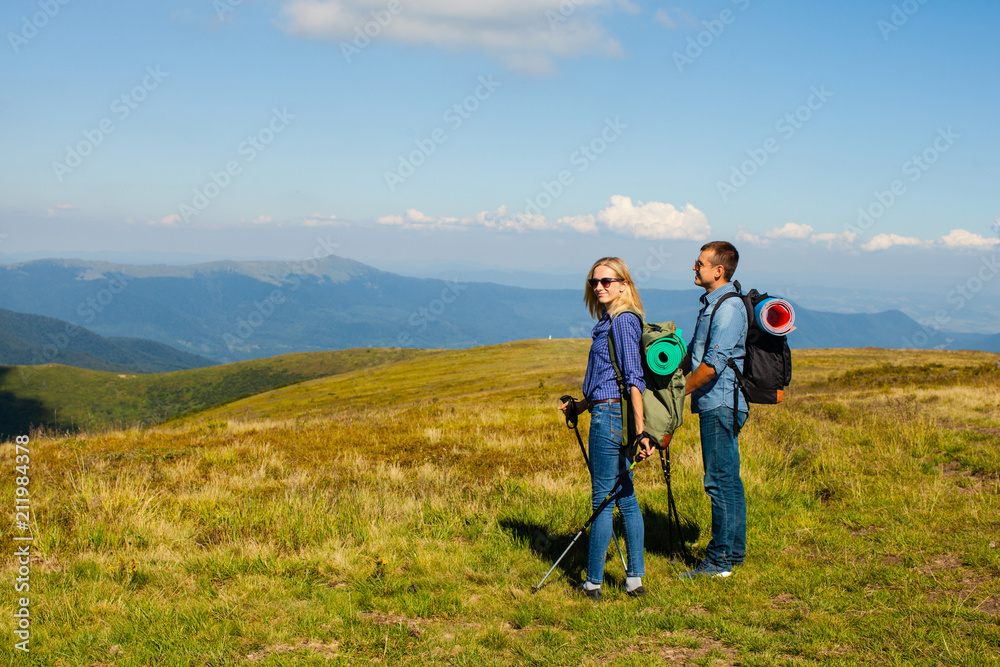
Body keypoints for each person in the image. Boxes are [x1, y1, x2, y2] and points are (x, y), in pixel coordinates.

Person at [559, 257, 653, 601]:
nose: (599, 287)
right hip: (606, 411)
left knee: (603, 499)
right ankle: (634, 580)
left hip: (610, 420)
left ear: (624, 284)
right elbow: (607, 381)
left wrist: (641, 432)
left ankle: (593, 583)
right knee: (625, 497)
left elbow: (633, 379)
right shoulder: (610, 321)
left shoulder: (623, 322)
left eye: (607, 281)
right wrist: (581, 405)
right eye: (593, 282)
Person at [680, 241, 749, 578]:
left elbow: (712, 365)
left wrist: (679, 394)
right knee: (729, 481)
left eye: (700, 263)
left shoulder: (728, 308)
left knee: (718, 482)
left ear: (718, 271)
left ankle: (719, 562)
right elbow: (693, 353)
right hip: (718, 402)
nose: (694, 267)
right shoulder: (712, 305)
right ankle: (733, 555)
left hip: (721, 402)